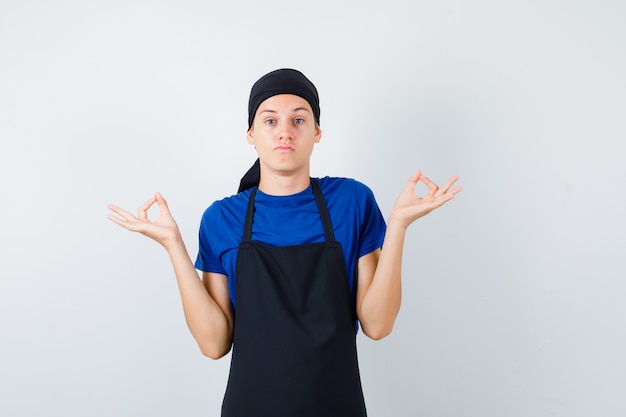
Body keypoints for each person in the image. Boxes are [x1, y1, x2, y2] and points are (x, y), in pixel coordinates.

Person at [107, 68, 461, 417]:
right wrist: (174, 246)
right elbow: (214, 345)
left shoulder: (352, 202)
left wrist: (397, 226)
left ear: (317, 131)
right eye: (270, 121)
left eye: (299, 120)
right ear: (251, 134)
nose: (285, 133)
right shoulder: (222, 219)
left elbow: (378, 325)